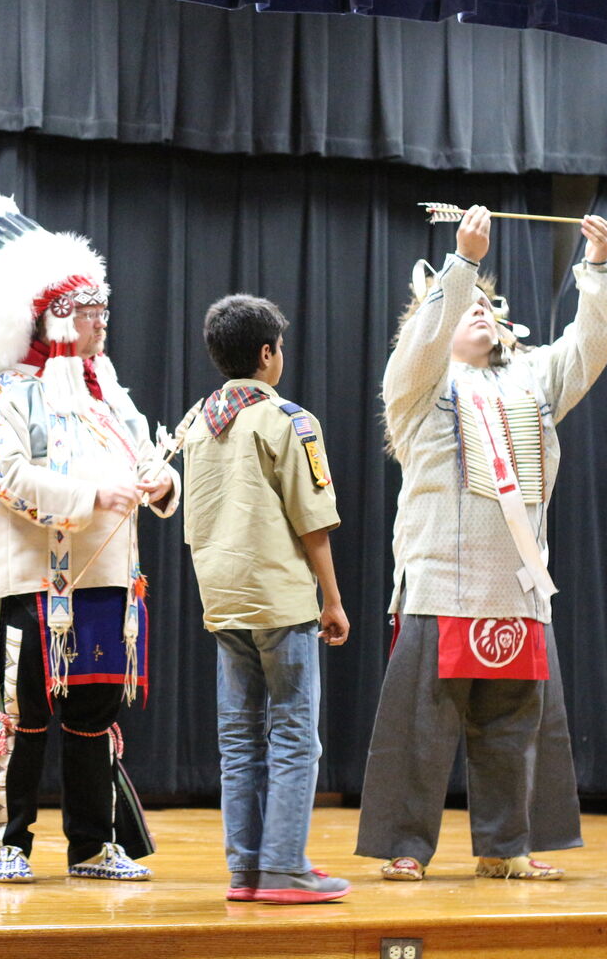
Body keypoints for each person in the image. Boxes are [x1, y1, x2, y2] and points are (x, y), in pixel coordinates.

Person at [0, 194, 178, 884]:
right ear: (50, 315)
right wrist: (89, 496)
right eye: (87, 309)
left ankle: (91, 845)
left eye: (104, 309)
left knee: (94, 718)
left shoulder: (108, 388)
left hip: (108, 583)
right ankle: (9, 843)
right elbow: (3, 476)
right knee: (27, 714)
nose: (100, 321)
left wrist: (160, 483)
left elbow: (143, 453)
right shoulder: (5, 395)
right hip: (32, 585)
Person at [355, 205, 607, 881]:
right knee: (422, 726)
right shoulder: (418, 387)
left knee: (515, 726)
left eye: (487, 304)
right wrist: (464, 264)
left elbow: (588, 346)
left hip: (517, 587)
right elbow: (421, 344)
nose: (478, 310)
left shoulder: (530, 382)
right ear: (437, 324)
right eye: (463, 307)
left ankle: (506, 846)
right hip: (442, 583)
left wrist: (594, 271)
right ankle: (406, 847)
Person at [176, 294, 352, 904]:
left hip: (222, 598)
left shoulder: (195, 423)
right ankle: (283, 867)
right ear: (267, 354)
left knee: (239, 738)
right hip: (279, 599)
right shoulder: (288, 420)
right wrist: (332, 599)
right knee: (295, 732)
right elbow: (312, 521)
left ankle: (245, 870)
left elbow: (192, 522)